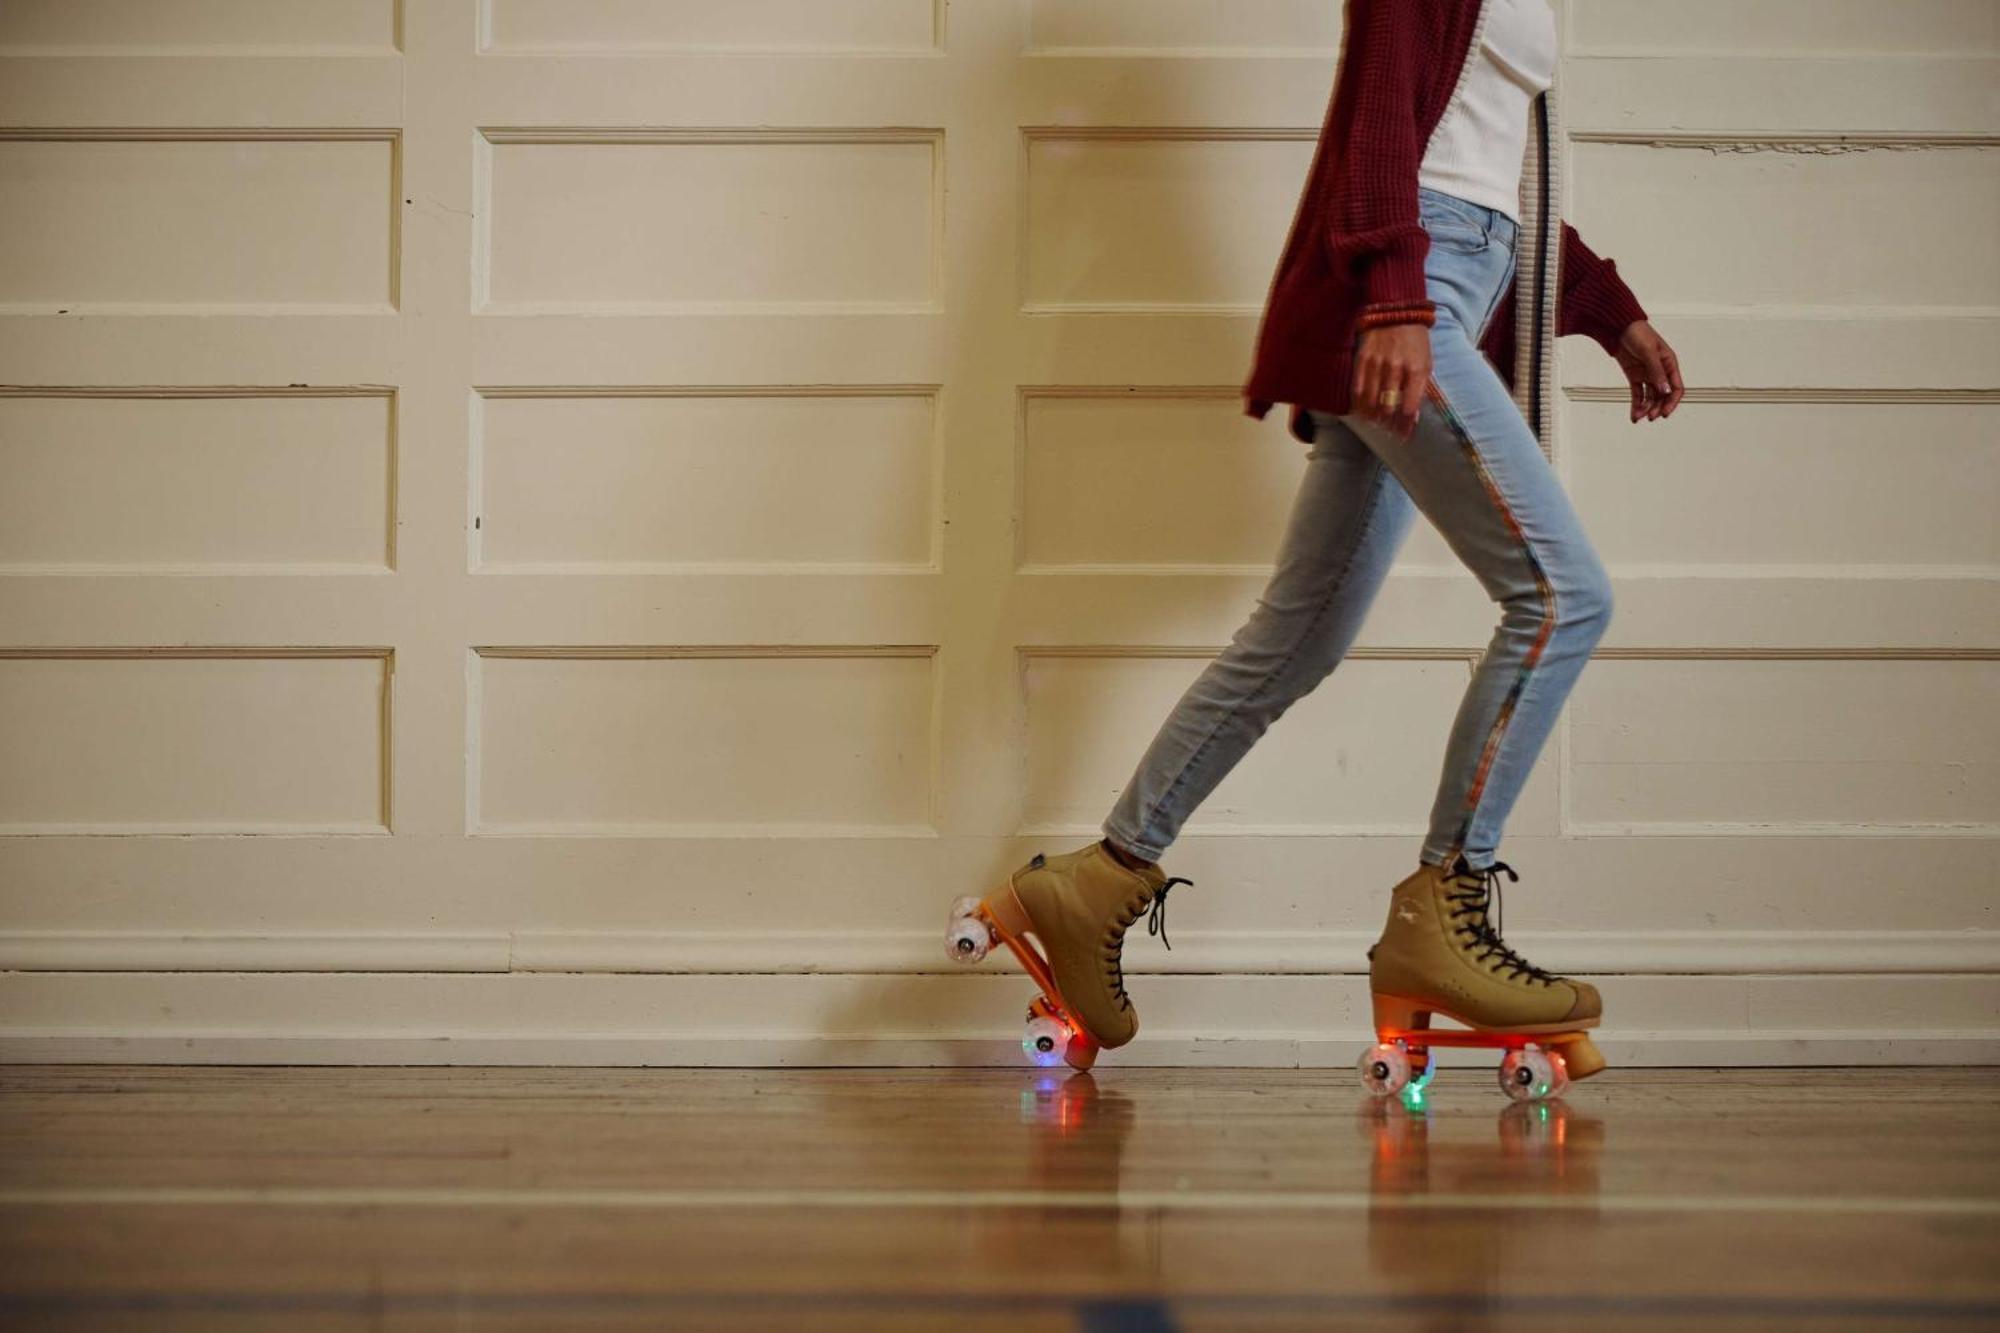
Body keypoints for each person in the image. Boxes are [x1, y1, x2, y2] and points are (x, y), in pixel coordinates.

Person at [982, 0, 1683, 1071]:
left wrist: (1607, 306)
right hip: (1415, 288)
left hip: (1451, 267)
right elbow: (1380, 125)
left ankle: (1095, 883)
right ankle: (1441, 911)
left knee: (1298, 632)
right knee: (1558, 596)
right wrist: (1395, 298)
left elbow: (1498, 172)